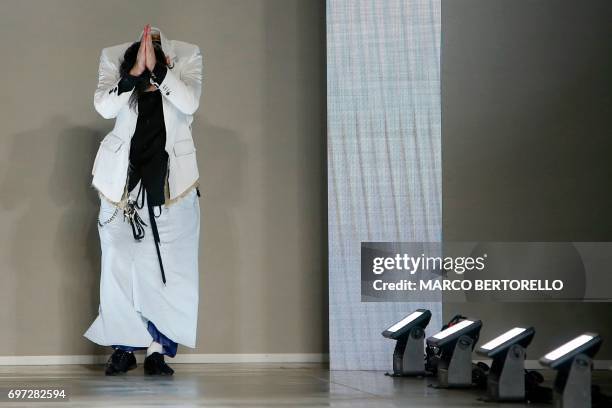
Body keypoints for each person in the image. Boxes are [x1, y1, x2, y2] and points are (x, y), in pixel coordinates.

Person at [84, 25, 203, 376]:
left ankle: (158, 350)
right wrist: (134, 74)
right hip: (121, 180)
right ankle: (122, 349)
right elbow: (105, 107)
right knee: (119, 266)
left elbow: (189, 102)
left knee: (172, 270)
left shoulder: (188, 54)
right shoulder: (113, 57)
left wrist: (161, 71)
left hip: (172, 181)